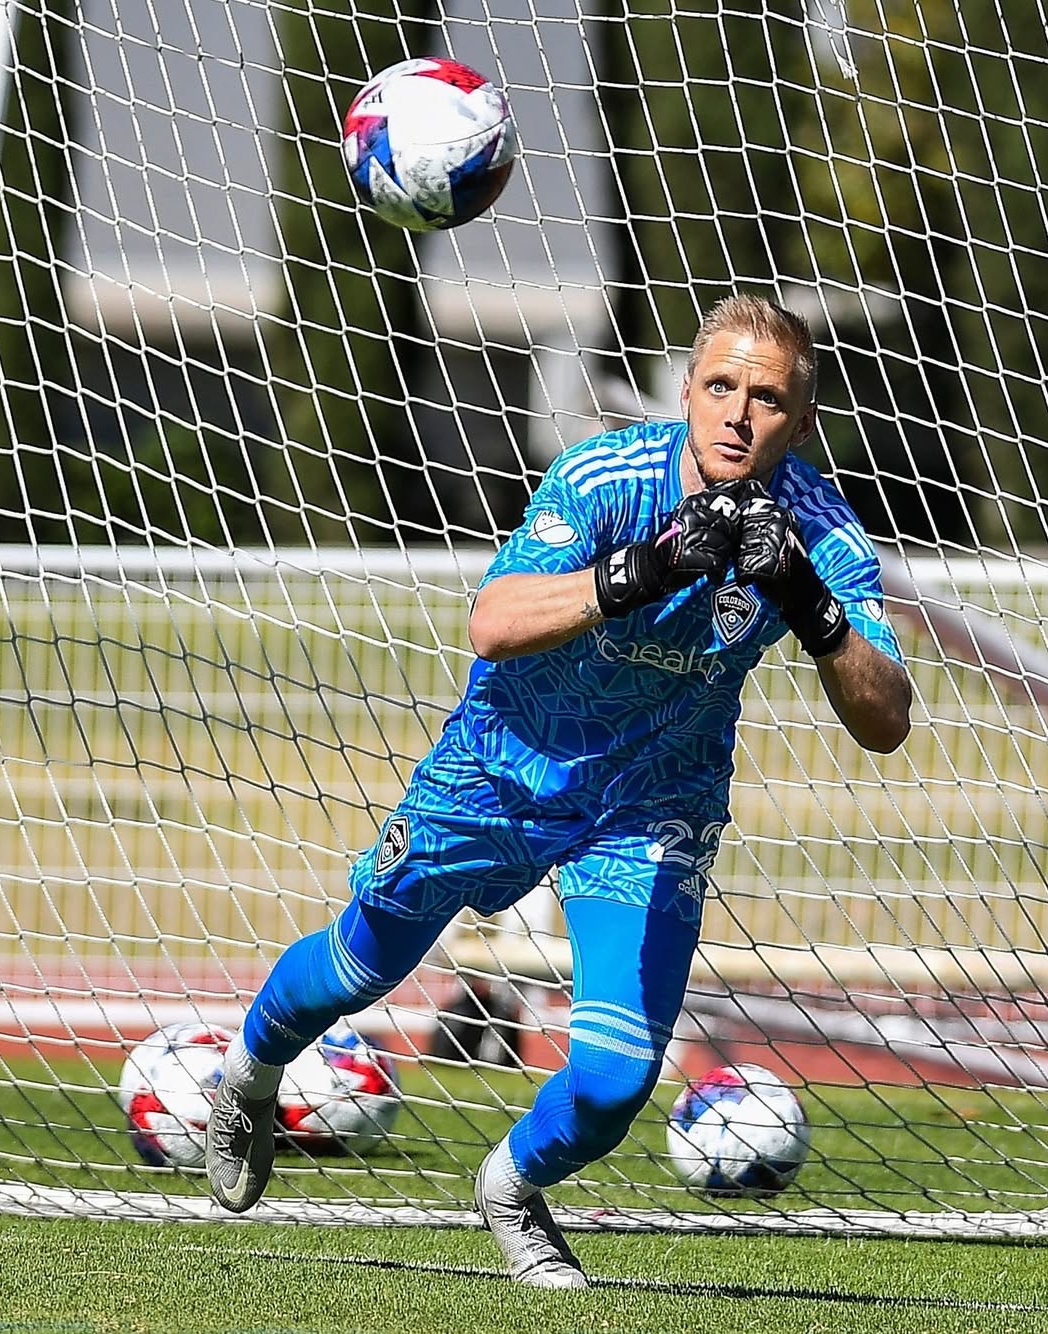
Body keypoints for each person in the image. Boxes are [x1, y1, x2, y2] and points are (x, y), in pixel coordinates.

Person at [205, 294, 911, 1288]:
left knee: (618, 1078)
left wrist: (810, 603)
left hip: (648, 807)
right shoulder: (606, 478)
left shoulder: (823, 531)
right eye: (720, 386)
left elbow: (886, 720)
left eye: (766, 397)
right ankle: (251, 1067)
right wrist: (641, 570)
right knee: (359, 969)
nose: (738, 414)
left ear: (803, 421)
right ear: (687, 389)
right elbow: (491, 620)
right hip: (496, 770)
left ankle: (510, 1183)